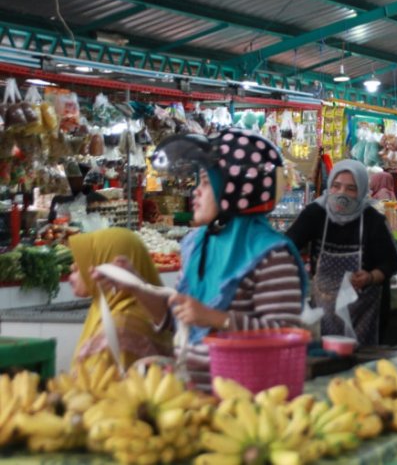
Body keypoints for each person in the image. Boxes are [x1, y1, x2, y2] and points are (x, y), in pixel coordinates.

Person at [94, 128, 306, 391]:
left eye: (206, 182)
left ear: (234, 189)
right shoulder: (196, 243)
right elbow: (177, 321)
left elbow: (283, 333)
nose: (195, 192)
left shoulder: (271, 255)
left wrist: (215, 318)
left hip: (246, 397)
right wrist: (136, 285)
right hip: (192, 389)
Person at [286, 159, 397, 346]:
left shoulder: (373, 221)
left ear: (363, 190)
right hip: (324, 307)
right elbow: (288, 247)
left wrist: (370, 276)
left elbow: (391, 262)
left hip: (364, 310)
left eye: (351, 188)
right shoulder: (316, 213)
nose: (342, 194)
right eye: (336, 186)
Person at [69, 227, 173, 369]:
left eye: (82, 262)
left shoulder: (124, 325)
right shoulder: (103, 307)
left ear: (105, 263)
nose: (73, 267)